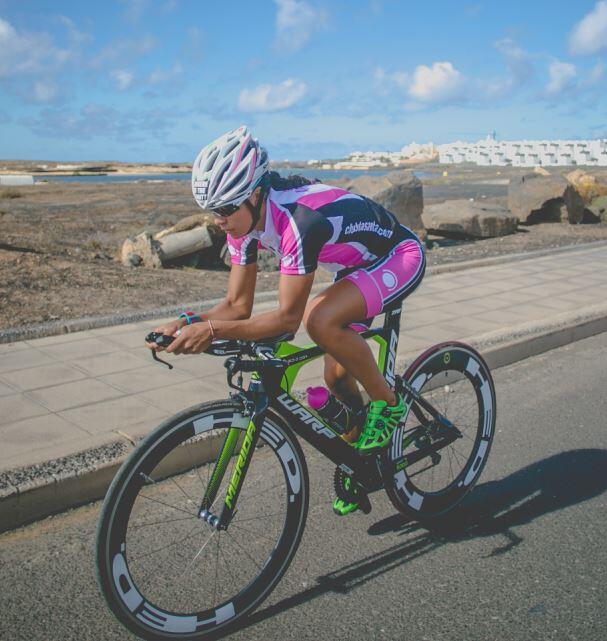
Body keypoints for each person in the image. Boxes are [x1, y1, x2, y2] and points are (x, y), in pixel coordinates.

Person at [148, 125, 425, 515]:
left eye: (226, 210)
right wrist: (184, 322)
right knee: (336, 378)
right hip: (355, 268)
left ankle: (388, 402)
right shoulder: (242, 221)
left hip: (398, 256)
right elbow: (236, 305)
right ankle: (363, 462)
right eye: (214, 211)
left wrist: (210, 332)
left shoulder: (296, 220)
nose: (220, 221)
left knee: (319, 320)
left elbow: (286, 321)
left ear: (256, 194)